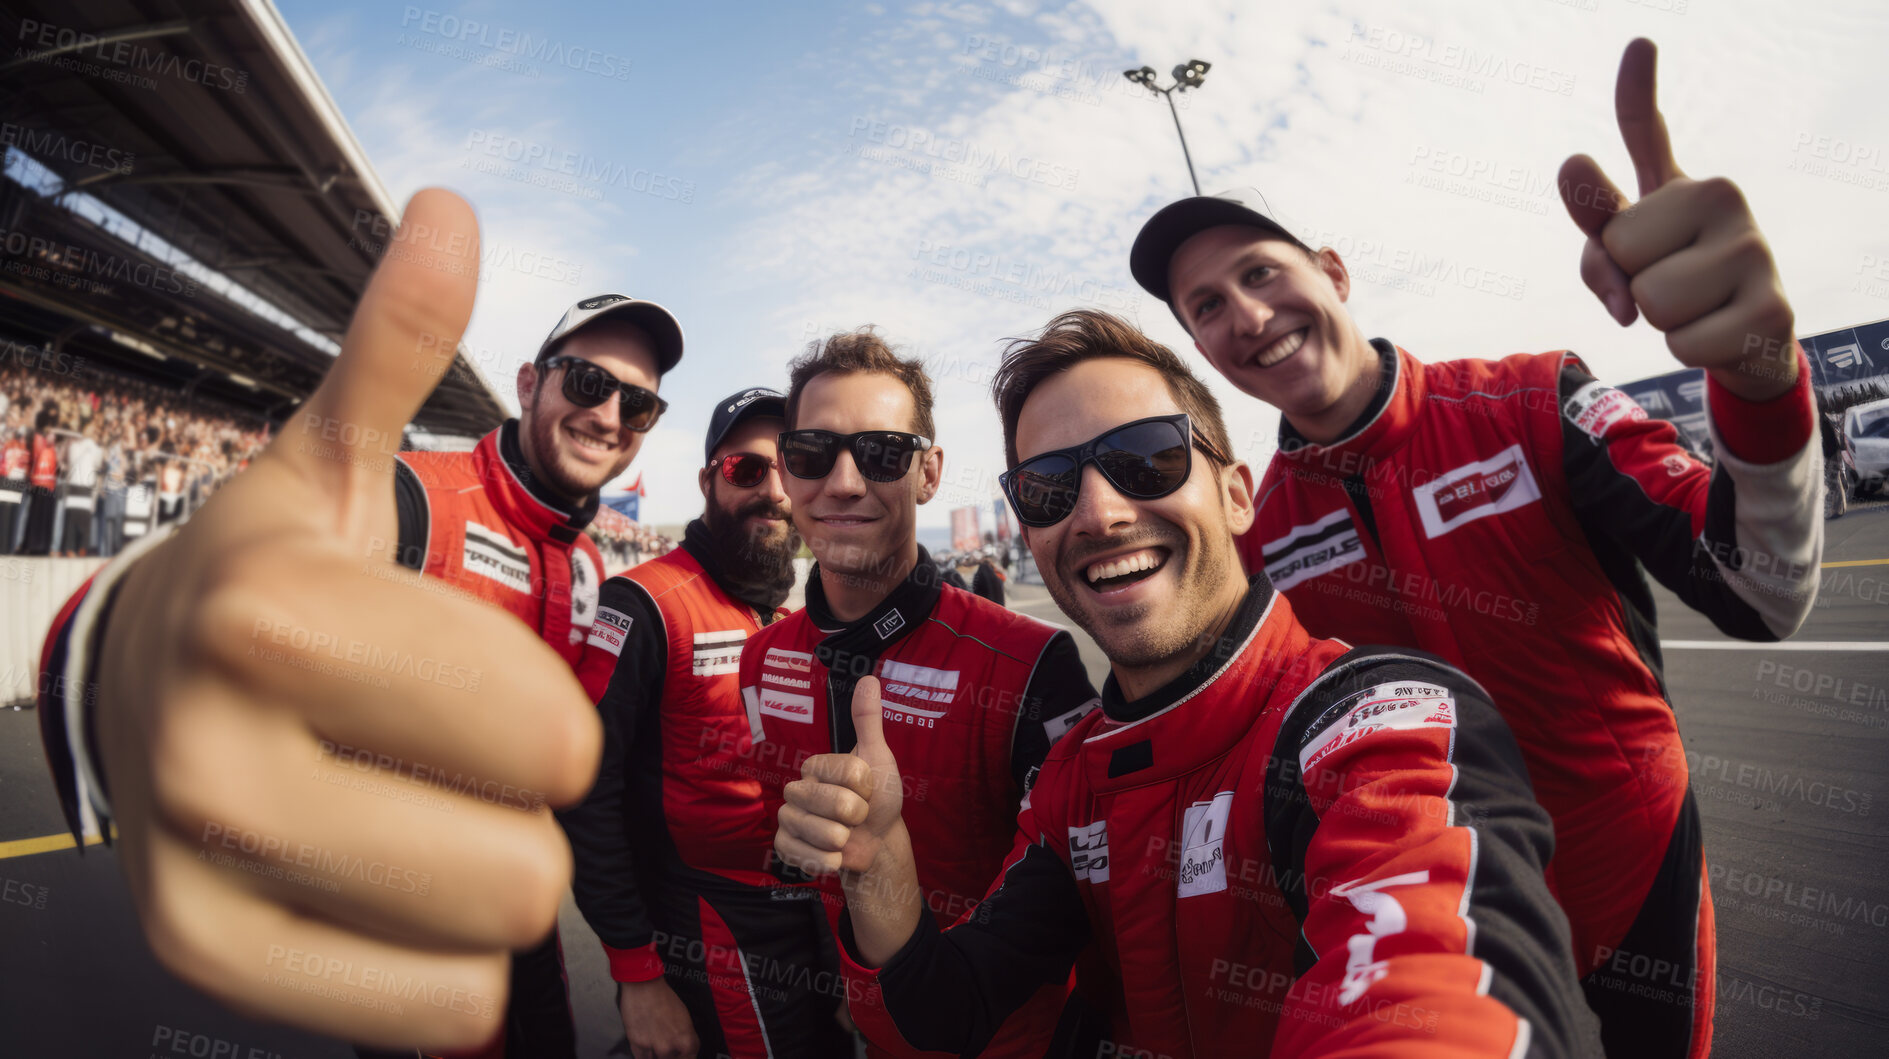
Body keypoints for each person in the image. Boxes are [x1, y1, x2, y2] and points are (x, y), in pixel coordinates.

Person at [1124, 40, 1820, 1059]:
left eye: (1259, 273)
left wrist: (1760, 387)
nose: (1248, 317)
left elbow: (1763, 596)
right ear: (1200, 350)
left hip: (1629, 861)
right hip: (1438, 900)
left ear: (1332, 271)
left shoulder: (1533, 397)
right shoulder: (1256, 528)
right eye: (1208, 309)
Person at [775, 316, 1599, 1058]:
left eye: (1146, 459)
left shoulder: (1371, 722)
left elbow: (1429, 990)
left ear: (1236, 495)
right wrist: (878, 865)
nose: (1098, 511)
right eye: (1050, 486)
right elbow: (944, 1011)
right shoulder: (1071, 786)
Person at [31, 190, 659, 1054]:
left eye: (641, 405)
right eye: (589, 382)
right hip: (383, 908)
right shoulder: (414, 497)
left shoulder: (588, 566)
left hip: (514, 914)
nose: (610, 415)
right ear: (529, 381)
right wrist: (136, 629)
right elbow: (236, 587)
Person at [743, 330, 1102, 1058]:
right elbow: (794, 862)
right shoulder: (760, 658)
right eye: (812, 453)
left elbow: (1088, 894)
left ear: (928, 472)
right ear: (785, 470)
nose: (842, 482)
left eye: (880, 452)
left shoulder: (1032, 660)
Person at [560, 387, 855, 1058]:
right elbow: (585, 796)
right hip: (705, 927)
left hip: (817, 922)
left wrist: (854, 946)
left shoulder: (802, 615)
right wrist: (638, 977)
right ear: (706, 481)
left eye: (792, 466)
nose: (774, 491)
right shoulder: (639, 606)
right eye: (746, 469)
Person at [60, 423, 102, 557]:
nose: (91, 433)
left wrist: (91, 445)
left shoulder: (95, 447)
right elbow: (72, 461)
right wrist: (84, 444)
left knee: (85, 518)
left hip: (87, 484)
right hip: (74, 483)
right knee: (72, 517)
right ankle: (69, 547)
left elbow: (98, 463)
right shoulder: (74, 445)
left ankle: (82, 547)